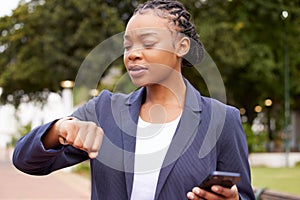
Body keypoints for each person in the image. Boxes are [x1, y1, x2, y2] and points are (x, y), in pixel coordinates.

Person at [13, 0, 255, 199]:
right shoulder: (104, 111)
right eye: (127, 46)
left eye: (148, 43)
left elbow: (242, 194)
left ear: (182, 47)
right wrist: (59, 128)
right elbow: (26, 162)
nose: (133, 55)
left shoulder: (222, 120)